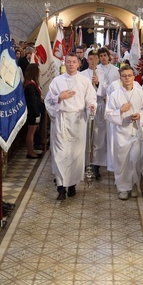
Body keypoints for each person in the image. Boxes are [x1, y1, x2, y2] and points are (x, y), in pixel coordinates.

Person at [45, 54, 97, 200]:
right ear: (64, 64)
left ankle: (72, 184)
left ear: (79, 64)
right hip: (61, 119)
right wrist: (59, 98)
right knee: (60, 153)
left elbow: (91, 99)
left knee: (76, 153)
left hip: (78, 120)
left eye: (74, 62)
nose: (71, 64)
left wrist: (92, 106)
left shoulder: (84, 81)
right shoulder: (57, 81)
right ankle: (61, 187)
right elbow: (48, 101)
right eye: (68, 62)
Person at [105, 64, 143, 200]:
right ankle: (123, 188)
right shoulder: (115, 95)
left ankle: (134, 184)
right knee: (122, 161)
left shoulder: (140, 93)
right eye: (124, 76)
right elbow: (108, 114)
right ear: (120, 77)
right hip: (120, 133)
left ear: (133, 76)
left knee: (135, 159)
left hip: (136, 130)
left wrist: (139, 116)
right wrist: (120, 110)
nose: (127, 78)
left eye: (129, 75)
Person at [83, 47, 118, 179]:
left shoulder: (107, 72)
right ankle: (90, 164)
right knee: (91, 137)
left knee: (102, 138)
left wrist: (99, 85)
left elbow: (109, 88)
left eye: (99, 57)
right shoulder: (84, 74)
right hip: (90, 108)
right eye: (92, 59)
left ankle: (101, 164)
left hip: (103, 106)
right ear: (88, 60)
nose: (95, 61)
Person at [23, 64, 43, 159]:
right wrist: (36, 114)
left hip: (33, 112)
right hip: (32, 113)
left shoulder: (30, 83)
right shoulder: (30, 85)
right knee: (31, 132)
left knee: (32, 132)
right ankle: (30, 152)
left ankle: (31, 151)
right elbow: (32, 102)